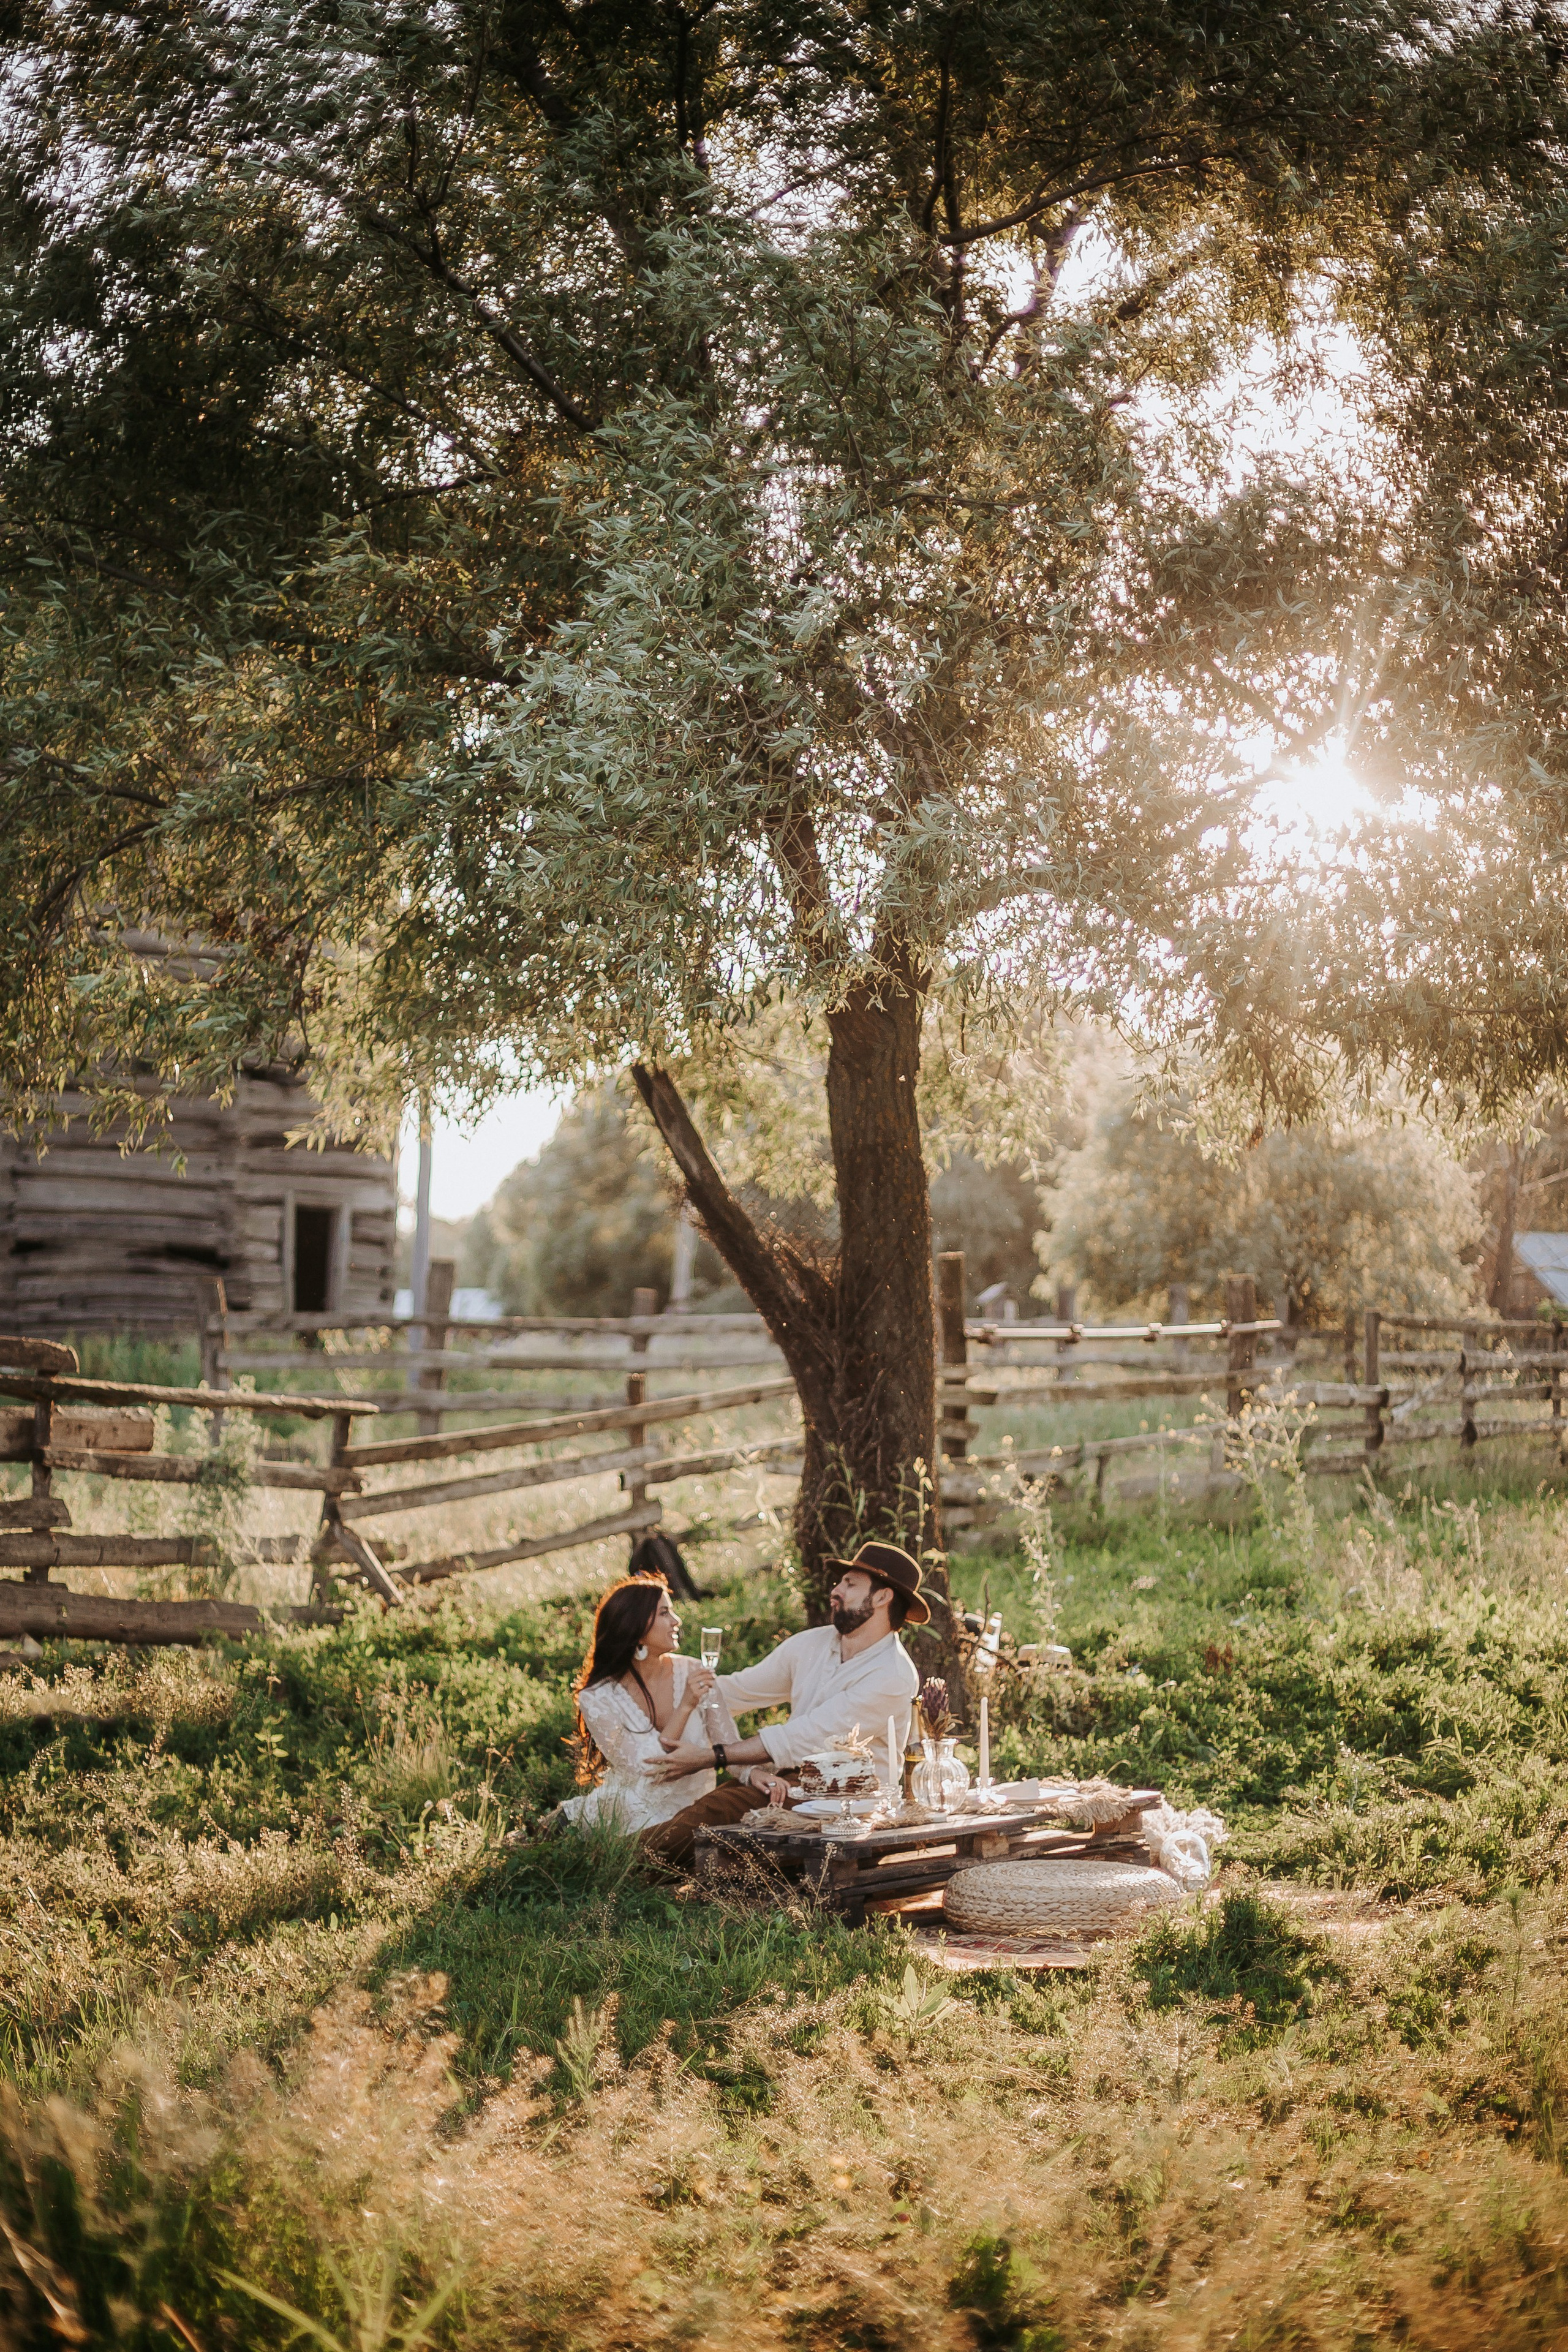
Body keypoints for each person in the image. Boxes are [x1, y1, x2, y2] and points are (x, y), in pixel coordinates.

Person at [638, 1540, 926, 1866]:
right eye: (840, 1582)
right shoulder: (813, 1644)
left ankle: (617, 1864)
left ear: (882, 1597)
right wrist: (651, 1688)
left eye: (850, 1583)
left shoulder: (894, 1674)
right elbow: (735, 1692)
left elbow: (808, 1737)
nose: (836, 1590)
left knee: (714, 1814)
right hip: (790, 1783)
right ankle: (621, 1863)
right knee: (708, 1812)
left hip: (849, 1801)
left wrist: (711, 1757)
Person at [557, 1573, 739, 1837]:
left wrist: (756, 1777)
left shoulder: (694, 1671)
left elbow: (729, 1747)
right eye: (665, 1613)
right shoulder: (597, 1698)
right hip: (629, 1818)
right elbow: (649, 1768)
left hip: (695, 1812)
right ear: (635, 1627)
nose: (677, 1621)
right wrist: (686, 1705)